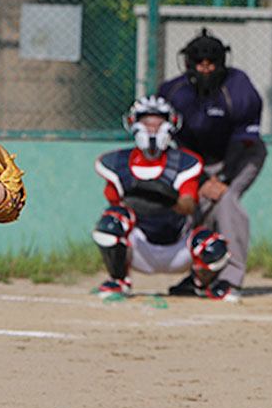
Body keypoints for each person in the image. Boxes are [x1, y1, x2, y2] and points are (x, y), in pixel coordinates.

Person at [156, 30, 264, 301]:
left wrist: (223, 179)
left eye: (211, 63)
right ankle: (200, 276)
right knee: (194, 209)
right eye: (199, 64)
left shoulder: (239, 87)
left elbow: (245, 142)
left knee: (226, 204)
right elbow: (169, 144)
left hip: (240, 158)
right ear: (188, 64)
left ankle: (232, 279)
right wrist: (203, 180)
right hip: (195, 164)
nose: (205, 69)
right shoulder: (172, 92)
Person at [91, 97, 232, 299]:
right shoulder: (116, 162)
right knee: (110, 222)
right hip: (140, 247)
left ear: (171, 124)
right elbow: (115, 206)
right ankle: (118, 280)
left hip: (177, 247)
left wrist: (164, 199)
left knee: (214, 247)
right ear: (133, 124)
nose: (152, 129)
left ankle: (200, 284)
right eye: (147, 122)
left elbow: (189, 206)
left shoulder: (185, 162)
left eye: (158, 122)